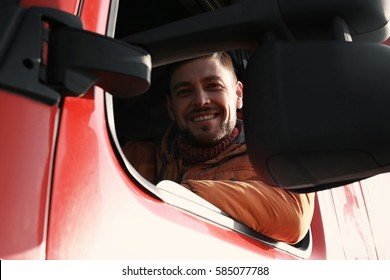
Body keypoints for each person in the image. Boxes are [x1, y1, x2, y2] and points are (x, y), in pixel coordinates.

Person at [123, 51, 315, 244]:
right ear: (171, 107)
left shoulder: (273, 155)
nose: (201, 101)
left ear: (239, 95)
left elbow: (293, 216)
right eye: (185, 92)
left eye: (213, 86)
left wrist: (181, 195)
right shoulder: (133, 159)